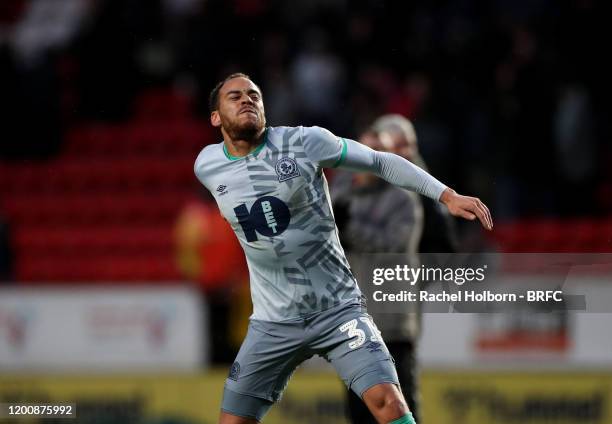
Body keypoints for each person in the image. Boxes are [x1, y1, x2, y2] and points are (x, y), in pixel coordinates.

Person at [194, 73, 493, 424]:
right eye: (235, 96)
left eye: (254, 95)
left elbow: (379, 161)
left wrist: (446, 195)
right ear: (216, 117)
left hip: (337, 309)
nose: (247, 100)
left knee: (389, 403)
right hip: (272, 321)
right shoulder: (207, 165)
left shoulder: (305, 142)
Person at [331, 130, 424, 424]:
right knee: (358, 413)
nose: (367, 160)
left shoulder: (404, 199)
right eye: (363, 152)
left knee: (401, 408)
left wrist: (349, 229)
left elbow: (393, 246)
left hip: (392, 321)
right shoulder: (339, 197)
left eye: (376, 154)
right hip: (355, 323)